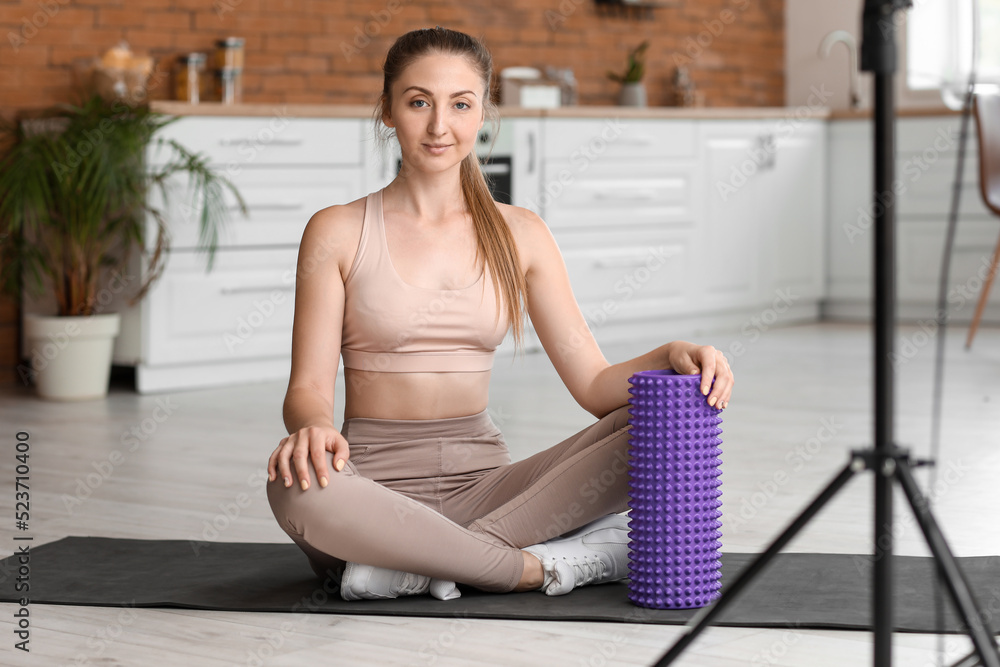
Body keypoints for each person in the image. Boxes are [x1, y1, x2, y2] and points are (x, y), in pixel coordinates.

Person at [266, 26, 734, 601]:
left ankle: (413, 563)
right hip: (370, 488)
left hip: (492, 489)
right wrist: (313, 428)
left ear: (484, 111)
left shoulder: (522, 234)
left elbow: (592, 384)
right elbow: (308, 389)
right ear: (387, 110)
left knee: (673, 418)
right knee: (294, 490)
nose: (440, 127)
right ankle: (538, 569)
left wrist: (670, 357)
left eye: (461, 104)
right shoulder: (336, 230)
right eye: (419, 103)